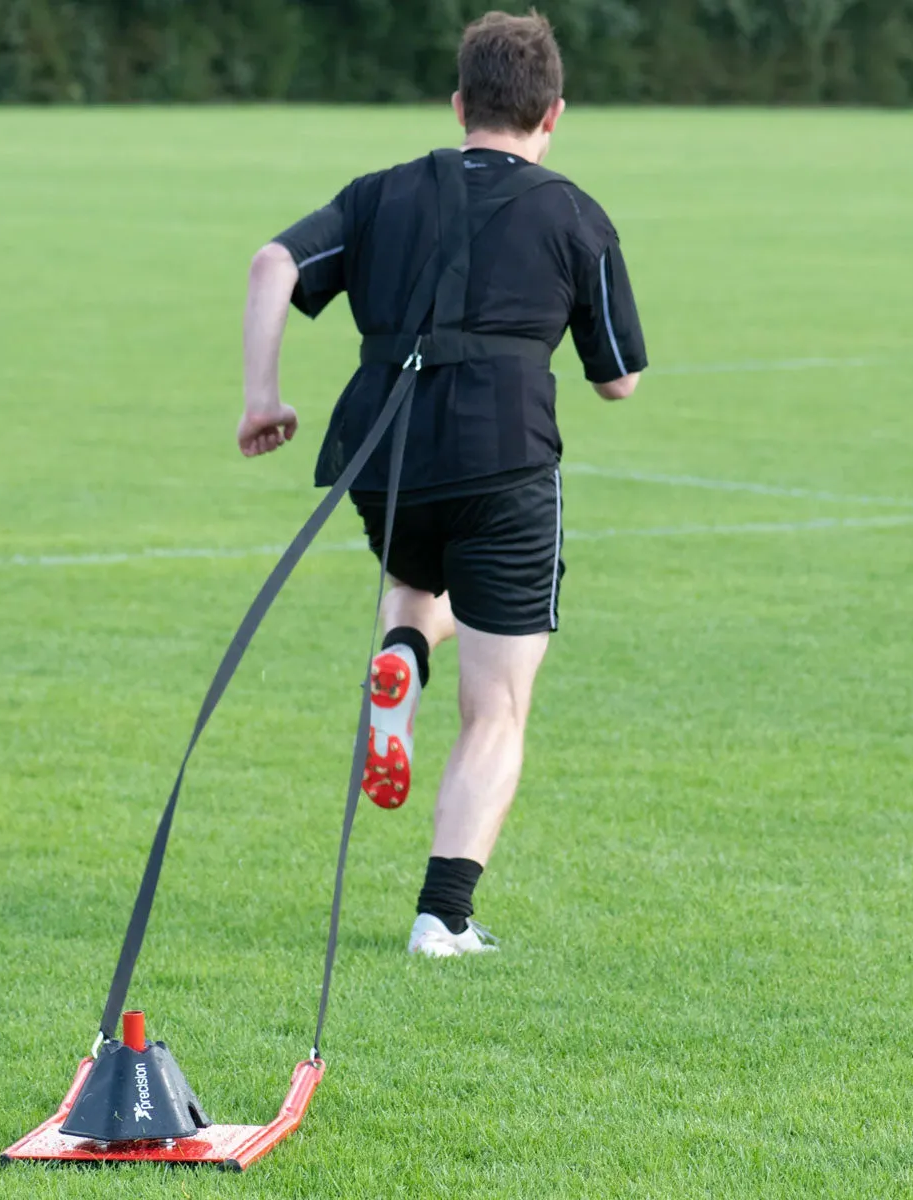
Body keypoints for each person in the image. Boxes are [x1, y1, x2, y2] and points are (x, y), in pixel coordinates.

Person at [238, 10, 647, 958]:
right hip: (503, 455)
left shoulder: (382, 193)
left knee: (420, 584)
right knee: (499, 702)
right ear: (552, 115)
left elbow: (273, 264)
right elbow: (616, 377)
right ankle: (443, 917)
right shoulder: (572, 211)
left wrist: (263, 398)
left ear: (459, 104)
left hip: (383, 451)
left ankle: (402, 658)